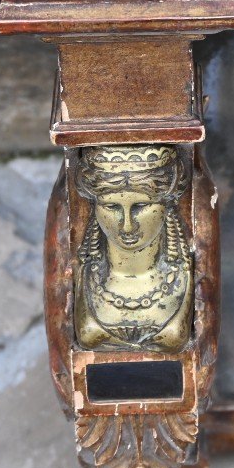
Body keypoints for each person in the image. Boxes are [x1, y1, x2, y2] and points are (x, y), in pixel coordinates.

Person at [74, 145, 193, 352]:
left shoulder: (191, 268)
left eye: (141, 206)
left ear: (167, 204)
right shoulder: (79, 270)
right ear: (94, 206)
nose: (127, 226)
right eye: (111, 207)